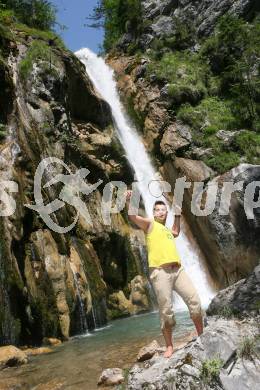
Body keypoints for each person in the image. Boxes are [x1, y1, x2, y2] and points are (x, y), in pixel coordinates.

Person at [125, 190, 203, 358]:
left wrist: (177, 216)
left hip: (178, 270)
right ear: (153, 213)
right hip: (160, 273)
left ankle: (202, 335)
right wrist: (130, 201)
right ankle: (169, 346)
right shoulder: (150, 225)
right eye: (158, 210)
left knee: (195, 300)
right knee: (166, 310)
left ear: (166, 213)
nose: (161, 212)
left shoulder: (167, 231)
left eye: (163, 210)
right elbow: (133, 217)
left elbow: (176, 232)